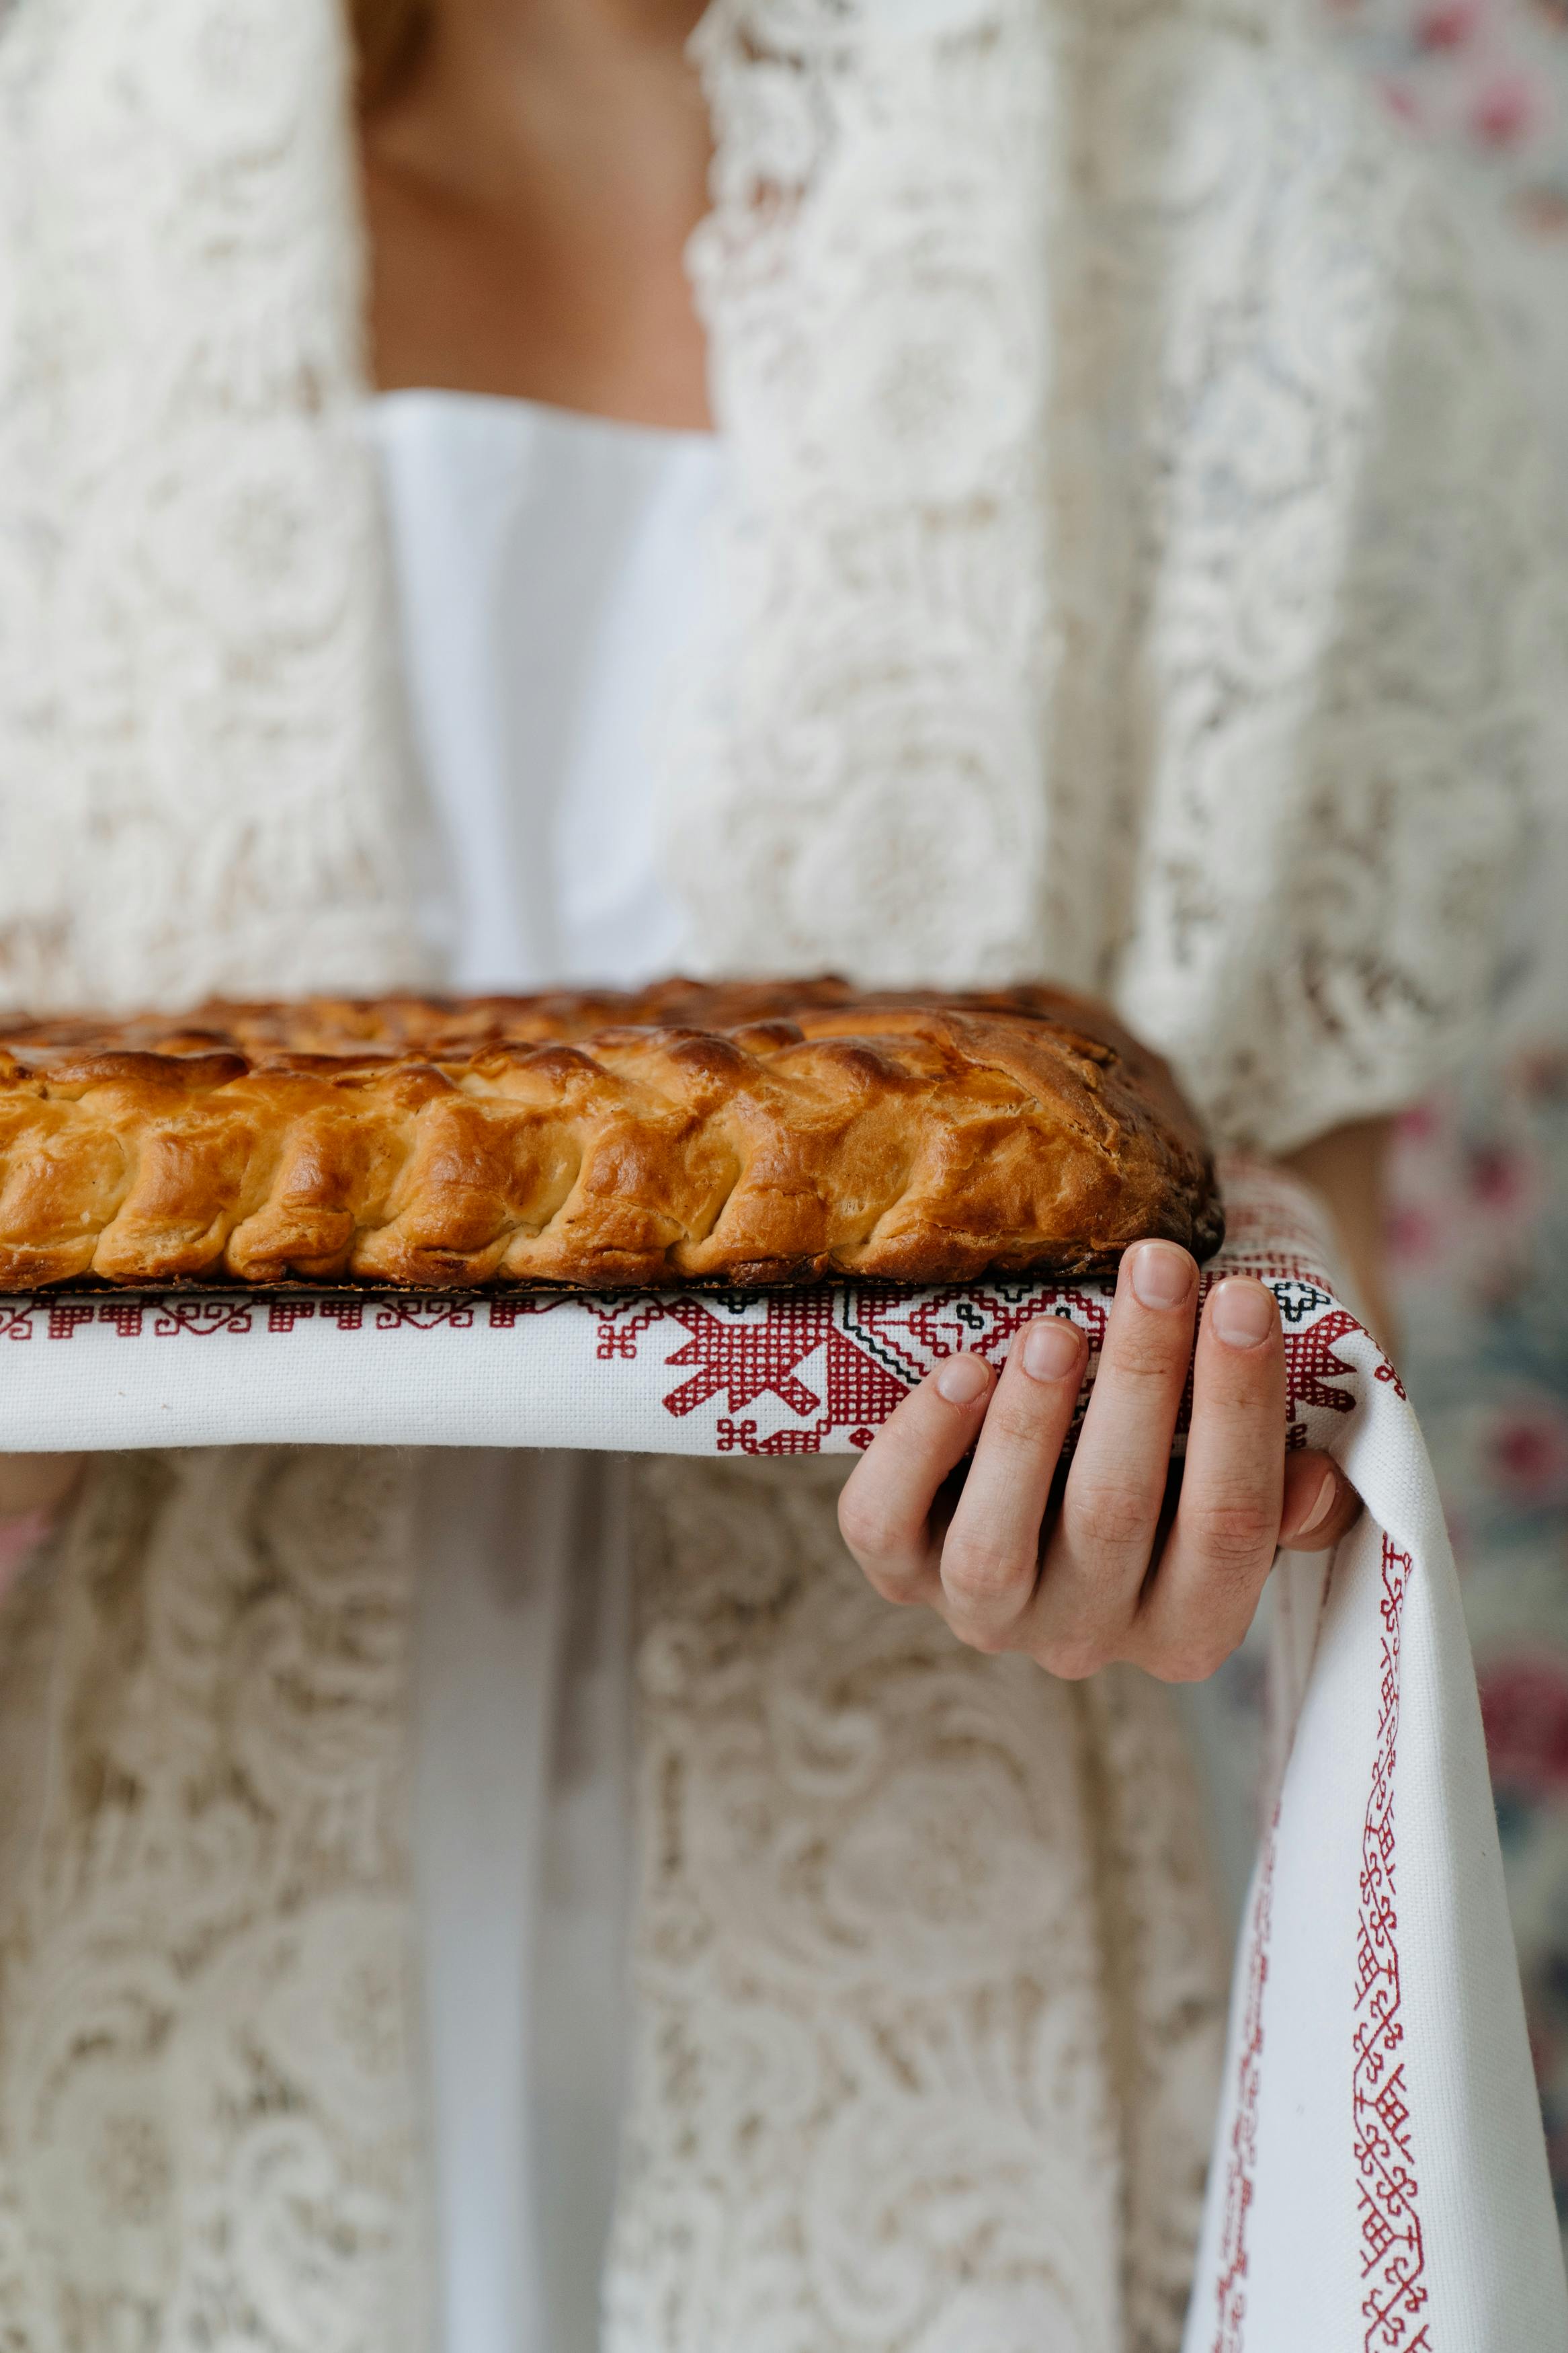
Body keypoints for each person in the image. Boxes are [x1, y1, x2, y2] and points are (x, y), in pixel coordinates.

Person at [0, 1, 1552, 2347]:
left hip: (943, 1926)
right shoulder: (48, 171)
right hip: (143, 1909)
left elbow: (1291, 1234)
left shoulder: (1275, 231)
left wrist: (1205, 1484)